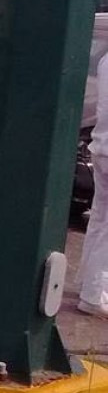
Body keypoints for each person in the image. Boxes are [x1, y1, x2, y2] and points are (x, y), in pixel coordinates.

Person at [79, 42, 108, 319]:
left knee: (100, 218)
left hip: (101, 147)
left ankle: (88, 283)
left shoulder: (105, 60)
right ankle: (92, 294)